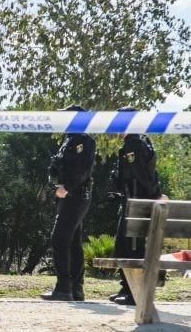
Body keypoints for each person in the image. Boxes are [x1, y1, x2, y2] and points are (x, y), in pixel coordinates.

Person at [108, 106, 168, 306]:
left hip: (135, 201)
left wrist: (157, 194)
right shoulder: (141, 140)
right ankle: (127, 287)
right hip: (131, 200)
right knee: (125, 244)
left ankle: (133, 291)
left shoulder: (133, 143)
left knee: (131, 246)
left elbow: (143, 175)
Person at [41, 104, 96, 302]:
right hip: (68, 196)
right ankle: (76, 289)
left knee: (60, 239)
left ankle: (64, 288)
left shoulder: (84, 140)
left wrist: (67, 187)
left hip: (76, 195)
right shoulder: (69, 139)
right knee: (72, 242)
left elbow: (83, 169)